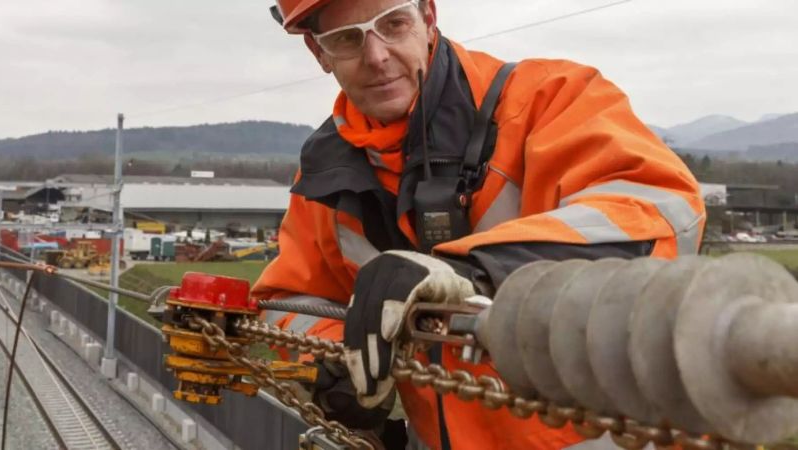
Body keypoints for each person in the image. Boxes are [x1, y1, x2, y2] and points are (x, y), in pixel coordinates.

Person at [254, 1, 705, 449]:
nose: (377, 56)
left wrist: (476, 272)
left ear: (428, 19)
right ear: (319, 53)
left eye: (393, 24)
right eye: (347, 39)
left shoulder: (550, 100)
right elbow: (290, 298)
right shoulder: (327, 178)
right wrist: (332, 361)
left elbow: (659, 211)